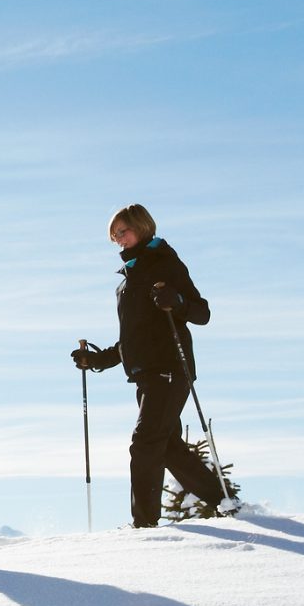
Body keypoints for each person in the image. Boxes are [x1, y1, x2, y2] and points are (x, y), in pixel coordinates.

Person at [70, 205, 236, 528]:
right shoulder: (128, 281)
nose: (119, 239)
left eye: (123, 231)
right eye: (114, 235)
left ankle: (143, 524)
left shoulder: (164, 263)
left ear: (142, 227)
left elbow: (201, 312)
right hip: (146, 374)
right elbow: (133, 339)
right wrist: (98, 360)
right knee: (168, 448)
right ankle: (225, 502)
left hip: (170, 368)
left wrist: (177, 302)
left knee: (144, 443)